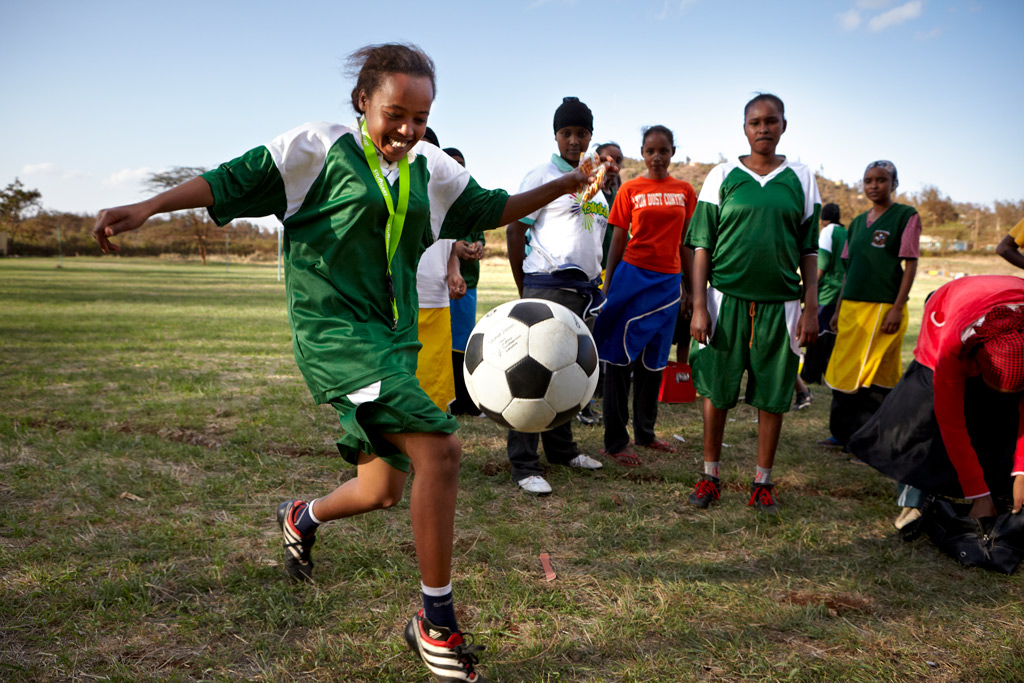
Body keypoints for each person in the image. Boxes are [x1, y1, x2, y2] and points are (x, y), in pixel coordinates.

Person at [91, 43, 607, 683]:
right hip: (334, 334)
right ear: (363, 100)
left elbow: (487, 207)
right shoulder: (317, 148)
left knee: (382, 490)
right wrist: (147, 207)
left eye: (421, 119)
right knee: (443, 451)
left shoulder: (430, 168)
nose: (408, 131)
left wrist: (557, 186)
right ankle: (435, 622)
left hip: (393, 340)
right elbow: (227, 180)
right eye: (397, 114)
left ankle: (300, 515)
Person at [685, 93, 820, 513]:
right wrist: (700, 305)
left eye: (771, 121)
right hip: (724, 298)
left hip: (780, 303)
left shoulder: (800, 176)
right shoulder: (722, 174)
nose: (763, 128)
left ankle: (763, 481)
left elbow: (809, 248)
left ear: (783, 125)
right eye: (755, 122)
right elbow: (702, 242)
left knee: (773, 393)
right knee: (716, 390)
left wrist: (811, 305)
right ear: (744, 128)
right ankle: (710, 475)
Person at [848, 275, 1024, 523]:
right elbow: (951, 423)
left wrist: (1021, 470)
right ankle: (915, 499)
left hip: (1006, 297)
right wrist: (979, 496)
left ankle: (1002, 489)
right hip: (948, 308)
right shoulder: (951, 349)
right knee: (927, 419)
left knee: (1004, 416)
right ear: (976, 364)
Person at [505, 96, 609, 495]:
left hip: (582, 291)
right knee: (530, 371)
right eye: (567, 132)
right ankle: (524, 463)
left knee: (567, 371)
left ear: (589, 136)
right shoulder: (542, 176)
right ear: (556, 134)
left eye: (581, 133)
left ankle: (563, 450)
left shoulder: (596, 185)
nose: (574, 140)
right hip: (546, 284)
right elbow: (516, 229)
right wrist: (522, 285)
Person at [593, 125, 696, 466]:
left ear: (672, 153)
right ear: (642, 153)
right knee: (620, 359)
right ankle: (615, 440)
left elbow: (686, 244)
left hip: (669, 283)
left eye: (663, 150)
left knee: (654, 361)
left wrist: (693, 291)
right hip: (632, 278)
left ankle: (646, 433)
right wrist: (608, 286)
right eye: (650, 151)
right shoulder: (631, 189)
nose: (656, 157)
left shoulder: (684, 191)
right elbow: (618, 238)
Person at [822, 161, 920, 450]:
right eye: (868, 180)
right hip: (852, 307)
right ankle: (840, 434)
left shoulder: (906, 216)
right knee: (844, 370)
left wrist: (896, 307)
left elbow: (911, 265)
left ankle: (867, 442)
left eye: (881, 180)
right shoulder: (855, 224)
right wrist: (839, 309)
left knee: (871, 376)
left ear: (894, 183)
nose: (874, 185)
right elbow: (849, 271)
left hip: (881, 308)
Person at [444, 147, 487, 416]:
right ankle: (453, 398)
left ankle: (464, 399)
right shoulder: (434, 198)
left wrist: (477, 247)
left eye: (461, 164)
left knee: (462, 342)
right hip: (437, 285)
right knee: (441, 343)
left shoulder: (469, 202)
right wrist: (453, 249)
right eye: (451, 163)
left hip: (466, 283)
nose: (456, 168)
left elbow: (479, 234)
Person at [795, 203, 847, 408]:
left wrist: (809, 288)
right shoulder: (845, 232)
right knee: (830, 334)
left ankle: (810, 375)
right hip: (841, 291)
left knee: (816, 333)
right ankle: (826, 372)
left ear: (823, 219)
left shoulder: (828, 232)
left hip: (825, 292)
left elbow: (822, 263)